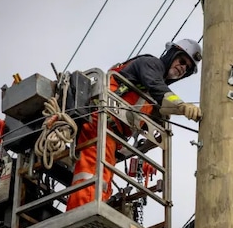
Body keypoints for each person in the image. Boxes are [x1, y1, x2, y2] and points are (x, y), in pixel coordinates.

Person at [66, 39, 203, 211]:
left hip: (112, 136)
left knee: (103, 178)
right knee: (92, 174)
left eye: (187, 69)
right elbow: (157, 86)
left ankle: (93, 210)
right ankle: (82, 214)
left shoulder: (152, 96)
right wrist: (182, 106)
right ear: (171, 55)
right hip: (101, 123)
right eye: (182, 61)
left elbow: (158, 119)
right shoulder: (151, 64)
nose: (183, 68)